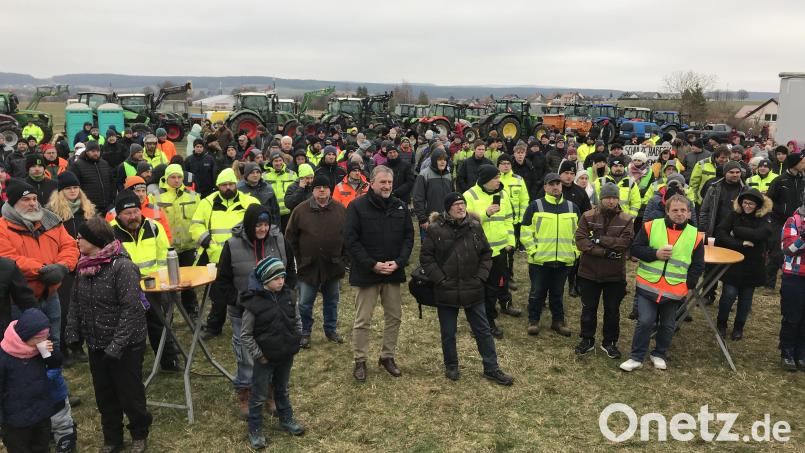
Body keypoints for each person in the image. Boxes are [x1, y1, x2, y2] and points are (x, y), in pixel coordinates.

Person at [64, 217, 151, 453]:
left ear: (96, 240)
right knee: (104, 395)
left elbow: (131, 310)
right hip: (96, 342)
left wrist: (117, 345)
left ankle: (139, 434)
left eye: (81, 237)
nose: (77, 240)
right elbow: (75, 302)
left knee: (130, 394)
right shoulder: (83, 266)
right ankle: (112, 438)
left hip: (125, 345)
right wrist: (72, 332)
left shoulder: (122, 267)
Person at [419, 192, 514, 385]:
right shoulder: (435, 230)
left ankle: (492, 368)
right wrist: (440, 279)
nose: (460, 207)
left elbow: (486, 254)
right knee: (448, 331)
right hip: (446, 289)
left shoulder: (475, 227)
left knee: (483, 330)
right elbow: (426, 258)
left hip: (473, 288)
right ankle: (451, 365)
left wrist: (480, 277)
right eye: (456, 205)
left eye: (462, 204)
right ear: (448, 209)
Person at [212, 204, 295, 419]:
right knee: (247, 355)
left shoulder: (279, 241)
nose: (263, 229)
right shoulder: (232, 245)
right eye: (258, 224)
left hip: (273, 309)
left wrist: (285, 296)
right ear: (250, 224)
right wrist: (241, 300)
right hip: (244, 311)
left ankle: (271, 393)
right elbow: (221, 284)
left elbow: (291, 272)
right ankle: (246, 394)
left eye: (266, 224)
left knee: (273, 351)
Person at [620, 195, 705, 372]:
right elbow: (635, 249)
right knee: (645, 321)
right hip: (648, 286)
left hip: (674, 290)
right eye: (675, 210)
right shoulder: (651, 226)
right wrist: (655, 254)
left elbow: (697, 265)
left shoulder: (695, 235)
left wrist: (688, 285)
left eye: (683, 210)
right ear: (667, 211)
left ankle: (659, 353)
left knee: (668, 325)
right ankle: (636, 357)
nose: (679, 214)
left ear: (689, 213)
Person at [345, 166, 414, 381]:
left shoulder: (400, 206)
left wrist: (400, 262)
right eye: (382, 182)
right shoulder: (356, 207)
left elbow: (408, 238)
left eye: (389, 183)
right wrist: (371, 264)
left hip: (392, 272)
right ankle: (360, 360)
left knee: (394, 317)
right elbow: (351, 240)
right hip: (367, 273)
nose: (386, 186)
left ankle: (387, 356)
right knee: (363, 319)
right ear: (372, 183)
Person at [0, 180, 79, 352]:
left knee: (53, 342)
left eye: (35, 199)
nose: (33, 203)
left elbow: (69, 246)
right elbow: (8, 260)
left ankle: (53, 373)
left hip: (51, 296)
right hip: (19, 301)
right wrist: (42, 269)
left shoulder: (50, 221)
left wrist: (62, 266)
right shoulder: (2, 228)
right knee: (26, 347)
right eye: (26, 200)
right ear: (13, 203)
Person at [240, 257, 305, 449]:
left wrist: (297, 340)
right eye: (276, 278)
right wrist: (259, 355)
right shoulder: (253, 304)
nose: (281, 281)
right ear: (265, 280)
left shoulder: (289, 296)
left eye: (283, 277)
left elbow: (297, 320)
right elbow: (245, 334)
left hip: (286, 355)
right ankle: (255, 429)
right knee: (259, 395)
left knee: (282, 389)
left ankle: (286, 419)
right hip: (265, 359)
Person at [192, 169, 260, 339]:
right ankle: (214, 326)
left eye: (231, 184)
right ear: (218, 186)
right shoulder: (207, 203)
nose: (228, 188)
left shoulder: (249, 201)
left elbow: (258, 223)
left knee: (249, 288)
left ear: (236, 184)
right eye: (224, 185)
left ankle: (254, 323)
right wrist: (207, 242)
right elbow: (196, 225)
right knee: (219, 293)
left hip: (244, 255)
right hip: (216, 255)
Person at [285, 175, 347, 348]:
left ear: (330, 190)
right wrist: (297, 259)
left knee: (332, 301)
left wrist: (342, 259)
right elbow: (290, 239)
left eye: (325, 187)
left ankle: (330, 330)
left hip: (333, 266)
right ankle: (305, 332)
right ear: (312, 190)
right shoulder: (300, 210)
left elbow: (348, 237)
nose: (322, 190)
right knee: (304, 303)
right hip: (307, 266)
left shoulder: (340, 210)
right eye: (318, 187)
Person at [573, 183, 634, 358]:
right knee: (588, 309)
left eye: (614, 197)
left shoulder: (627, 219)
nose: (611, 201)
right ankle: (587, 339)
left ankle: (610, 342)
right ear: (601, 198)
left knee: (612, 310)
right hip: (589, 273)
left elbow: (625, 243)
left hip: (614, 275)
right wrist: (605, 252)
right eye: (608, 197)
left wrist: (599, 239)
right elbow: (581, 241)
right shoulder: (588, 216)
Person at [520, 173, 579, 337]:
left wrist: (575, 252)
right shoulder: (535, 206)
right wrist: (534, 251)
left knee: (557, 293)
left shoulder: (572, 207)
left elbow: (580, 233)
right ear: (545, 187)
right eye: (551, 184)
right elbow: (525, 232)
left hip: (564, 260)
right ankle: (533, 321)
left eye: (558, 184)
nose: (555, 187)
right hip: (540, 261)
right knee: (537, 292)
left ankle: (558, 322)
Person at [45, 172, 95, 366]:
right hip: (64, 266)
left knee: (84, 306)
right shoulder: (51, 214)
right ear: (61, 191)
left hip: (86, 264)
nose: (73, 191)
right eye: (68, 188)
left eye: (75, 187)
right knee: (65, 309)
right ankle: (64, 347)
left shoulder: (88, 210)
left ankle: (78, 345)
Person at [463, 164, 519, 336]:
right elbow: (464, 221)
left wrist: (510, 241)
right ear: (486, 180)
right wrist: (485, 213)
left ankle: (489, 319)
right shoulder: (469, 195)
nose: (498, 180)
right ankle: (482, 324)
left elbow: (509, 219)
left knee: (494, 287)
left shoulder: (503, 194)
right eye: (495, 178)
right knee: (479, 289)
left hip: (500, 251)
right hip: (478, 252)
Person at [0, 309, 63, 453]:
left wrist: (48, 352)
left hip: (41, 413)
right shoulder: (5, 357)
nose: (42, 342)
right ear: (25, 336)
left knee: (42, 447)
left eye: (45, 338)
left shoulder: (39, 350)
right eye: (38, 339)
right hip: (16, 421)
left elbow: (56, 363)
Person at [714, 188, 772, 341]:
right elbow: (721, 235)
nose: (747, 206)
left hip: (753, 265)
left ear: (758, 205)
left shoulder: (764, 218)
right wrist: (740, 243)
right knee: (728, 295)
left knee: (746, 298)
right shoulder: (733, 215)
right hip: (733, 264)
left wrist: (737, 230)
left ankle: (739, 326)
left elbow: (762, 234)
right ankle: (721, 323)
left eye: (751, 203)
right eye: (745, 202)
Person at [153, 164, 201, 317]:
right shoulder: (156, 197)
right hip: (167, 248)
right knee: (167, 284)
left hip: (188, 246)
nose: (176, 180)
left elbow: (199, 219)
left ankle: (192, 312)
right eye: (173, 177)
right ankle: (168, 315)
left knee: (188, 282)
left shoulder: (193, 196)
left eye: (179, 177)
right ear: (166, 178)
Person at [765, 152, 805, 290]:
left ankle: (788, 277)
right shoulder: (780, 180)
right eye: (802, 162)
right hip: (779, 221)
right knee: (776, 252)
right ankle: (769, 283)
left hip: (798, 221)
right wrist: (775, 213)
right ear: (794, 164)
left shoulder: (803, 180)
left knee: (795, 250)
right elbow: (768, 200)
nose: (804, 164)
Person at [779, 192, 805, 371]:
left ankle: (801, 353)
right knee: (792, 316)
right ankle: (787, 351)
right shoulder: (793, 220)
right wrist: (803, 238)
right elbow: (788, 248)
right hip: (794, 275)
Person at [497, 154, 529, 293]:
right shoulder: (494, 179)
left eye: (508, 163)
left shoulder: (518, 179)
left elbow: (524, 199)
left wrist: (522, 219)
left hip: (514, 222)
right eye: (502, 163)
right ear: (498, 165)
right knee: (498, 251)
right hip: (498, 221)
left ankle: (509, 276)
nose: (505, 166)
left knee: (510, 252)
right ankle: (499, 276)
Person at [412, 148, 453, 237]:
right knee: (429, 248)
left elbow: (452, 198)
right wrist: (422, 219)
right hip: (429, 220)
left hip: (447, 220)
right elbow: (418, 198)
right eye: (439, 160)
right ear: (434, 161)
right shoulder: (424, 174)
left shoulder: (449, 176)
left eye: (444, 160)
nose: (443, 162)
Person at [68, 140, 116, 212]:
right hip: (89, 207)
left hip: (107, 206)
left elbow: (112, 182)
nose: (96, 153)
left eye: (97, 151)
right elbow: (74, 186)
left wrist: (112, 198)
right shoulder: (77, 165)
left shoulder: (104, 164)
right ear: (87, 151)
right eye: (93, 151)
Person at [263, 151, 298, 231]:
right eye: (275, 161)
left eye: (280, 160)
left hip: (288, 213)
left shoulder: (292, 174)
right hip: (272, 214)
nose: (278, 163)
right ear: (271, 162)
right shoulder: (264, 176)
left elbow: (296, 193)